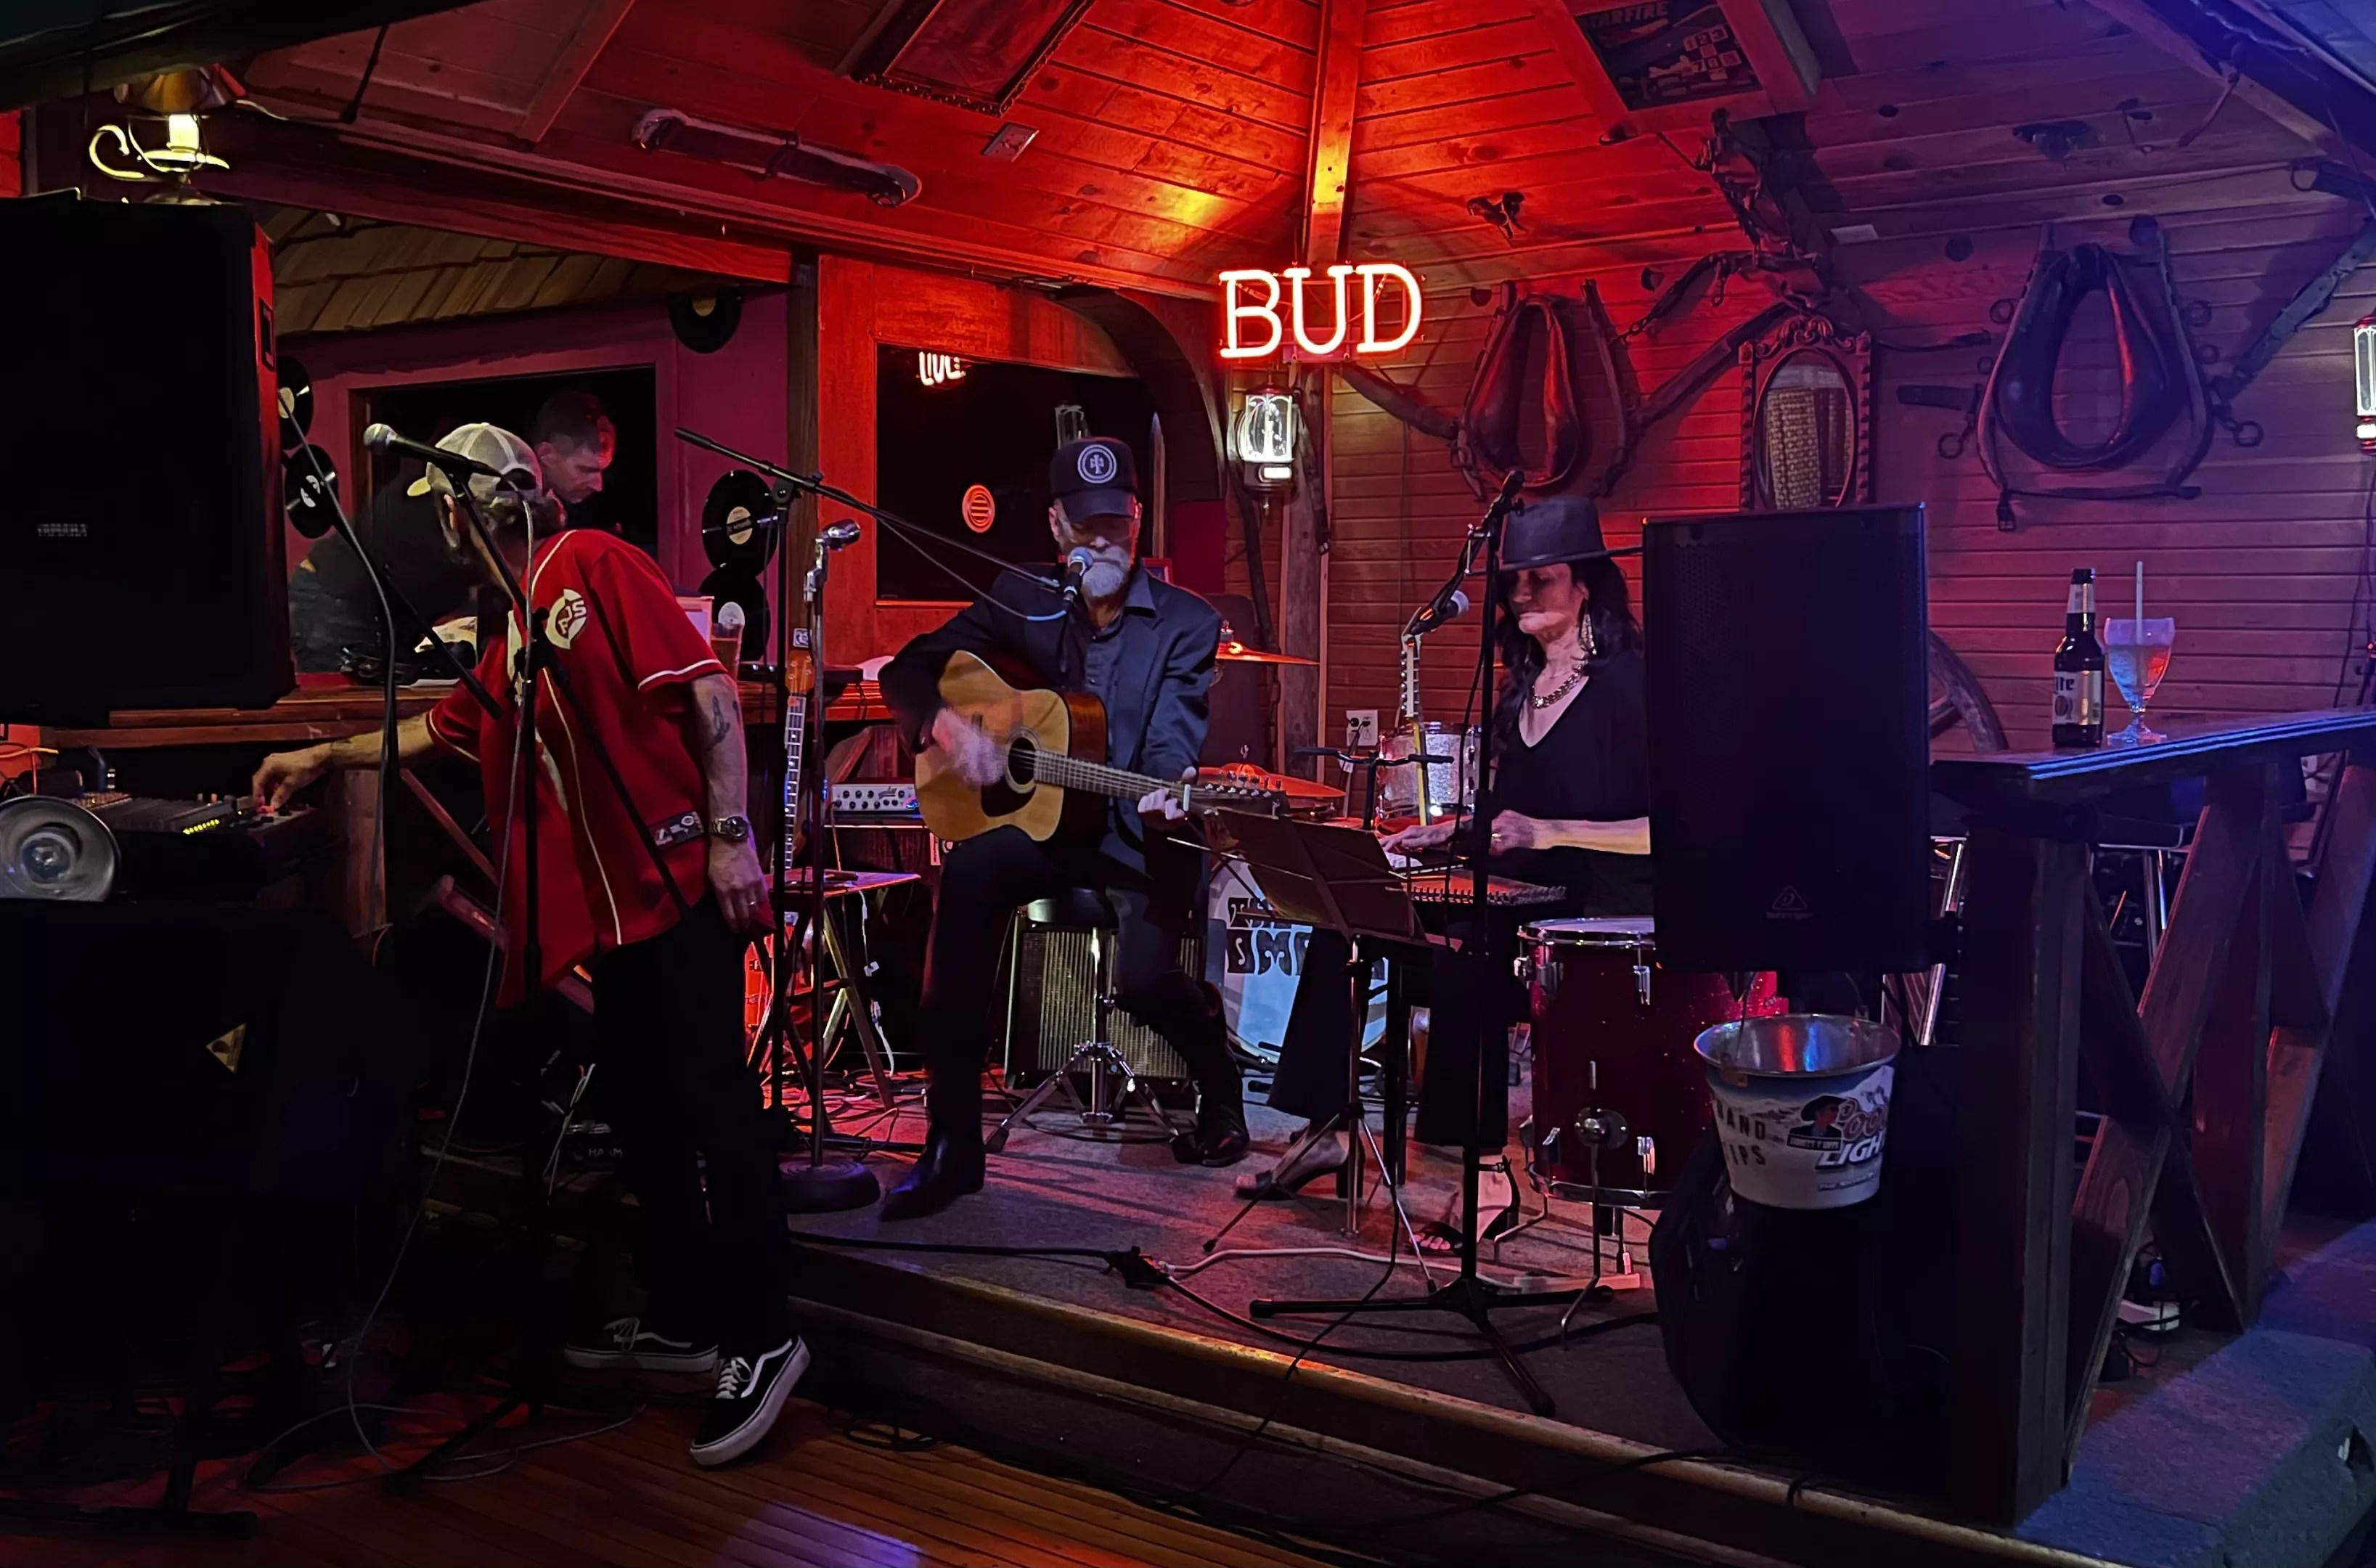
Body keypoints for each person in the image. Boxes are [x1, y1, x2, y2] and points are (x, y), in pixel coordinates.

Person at [250, 424, 803, 1469]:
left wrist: (732, 841)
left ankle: (763, 1333)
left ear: (468, 512)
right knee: (647, 1116)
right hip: (616, 918)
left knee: (716, 1114)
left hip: (678, 883)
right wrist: (322, 753)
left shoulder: (593, 565)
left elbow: (710, 691)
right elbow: (437, 727)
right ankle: (687, 1318)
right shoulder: (519, 635)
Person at [1241, 497, 1652, 1249]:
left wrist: (1552, 829)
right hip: (1506, 895)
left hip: (1593, 909)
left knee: (1468, 962)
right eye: (1514, 583)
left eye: (1542, 580)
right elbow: (1511, 821)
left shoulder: (1631, 687)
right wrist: (1452, 832)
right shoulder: (1521, 689)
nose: (1523, 595)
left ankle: (1487, 1172)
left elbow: (1672, 831)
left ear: (1585, 584)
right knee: (1350, 922)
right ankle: (1328, 1129)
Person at [875, 436, 1245, 1222]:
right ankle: (951, 1144)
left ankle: (1220, 1075)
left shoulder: (1187, 623)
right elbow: (906, 670)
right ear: (1055, 526)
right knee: (967, 879)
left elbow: (1174, 740)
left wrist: (1170, 789)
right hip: (1049, 831)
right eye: (1086, 527)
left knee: (1143, 985)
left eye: (1116, 522)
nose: (1103, 540)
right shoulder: (1023, 599)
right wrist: (944, 728)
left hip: (1142, 834)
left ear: (1139, 517)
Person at [287, 462, 478, 674]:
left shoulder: (449, 484)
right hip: (334, 598)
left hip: (359, 600)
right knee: (354, 703)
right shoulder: (455, 495)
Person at [532, 390, 616, 531]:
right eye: (586, 469)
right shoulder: (509, 508)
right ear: (545, 453)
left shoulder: (596, 511)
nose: (598, 486)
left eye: (602, 471)